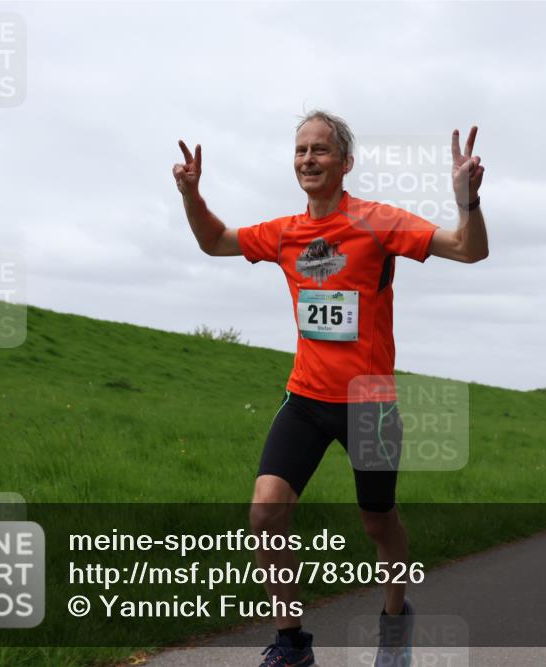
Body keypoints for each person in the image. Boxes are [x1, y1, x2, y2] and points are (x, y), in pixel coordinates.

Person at [174, 110, 489, 667]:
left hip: (369, 405)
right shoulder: (285, 233)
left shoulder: (378, 222)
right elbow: (214, 241)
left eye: (320, 150)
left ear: (345, 163)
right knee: (265, 512)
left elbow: (468, 249)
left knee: (378, 519)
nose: (308, 159)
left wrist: (467, 200)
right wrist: (191, 195)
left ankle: (395, 623)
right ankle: (292, 642)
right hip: (306, 399)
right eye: (300, 150)